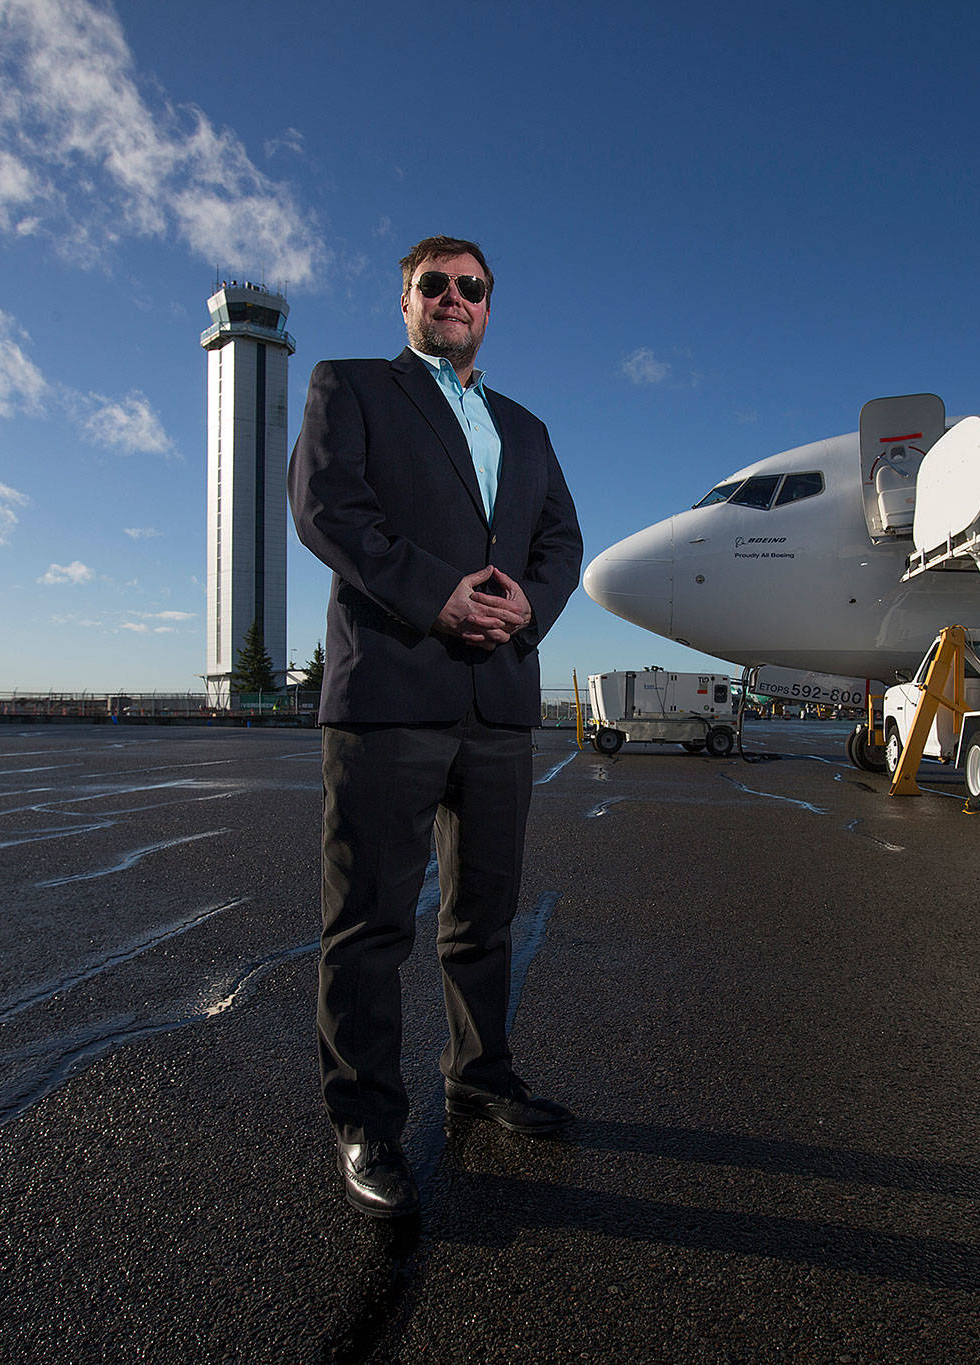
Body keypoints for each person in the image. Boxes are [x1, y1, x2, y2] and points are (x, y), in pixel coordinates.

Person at [287, 235, 583, 1219]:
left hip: (497, 699)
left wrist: (524, 609)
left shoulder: (526, 427)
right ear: (404, 301)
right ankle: (365, 1121)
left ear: (488, 308)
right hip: (392, 694)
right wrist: (438, 595)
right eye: (435, 286)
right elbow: (329, 508)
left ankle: (481, 1073)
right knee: (368, 922)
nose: (454, 298)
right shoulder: (353, 387)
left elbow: (559, 541)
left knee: (483, 916)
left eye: (473, 288)